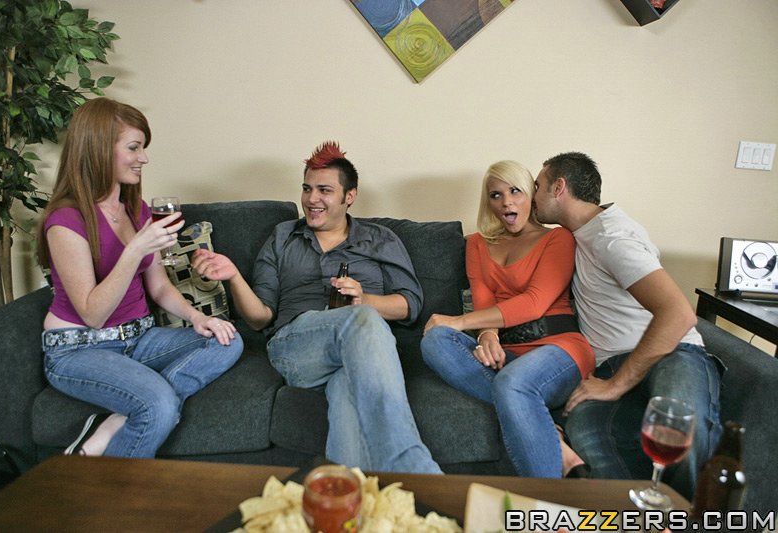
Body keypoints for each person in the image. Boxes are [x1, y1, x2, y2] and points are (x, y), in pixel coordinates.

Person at [191, 141, 441, 474]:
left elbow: (410, 304)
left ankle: (344, 493)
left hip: (363, 351)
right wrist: (233, 276)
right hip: (297, 348)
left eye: (324, 190)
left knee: (346, 386)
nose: (311, 199)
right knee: (361, 320)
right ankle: (416, 469)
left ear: (349, 196)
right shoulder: (283, 236)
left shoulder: (379, 238)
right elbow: (260, 318)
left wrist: (364, 300)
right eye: (307, 188)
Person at [37, 97, 243, 458]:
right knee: (158, 405)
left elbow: (159, 286)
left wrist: (198, 318)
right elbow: (93, 314)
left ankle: (120, 417)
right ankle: (115, 484)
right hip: (80, 349)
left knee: (227, 339)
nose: (143, 158)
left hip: (138, 339)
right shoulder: (66, 221)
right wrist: (134, 249)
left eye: (143, 148)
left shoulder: (137, 210)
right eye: (134, 147)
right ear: (100, 149)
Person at [532, 151, 723, 499]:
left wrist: (615, 386)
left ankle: (689, 518)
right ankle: (636, 517)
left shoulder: (612, 238)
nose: (532, 196)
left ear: (559, 188)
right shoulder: (576, 235)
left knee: (680, 425)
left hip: (672, 352)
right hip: (610, 364)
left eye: (537, 186)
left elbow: (678, 314)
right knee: (586, 431)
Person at [420, 160, 594, 478]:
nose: (506, 202)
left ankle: (545, 501)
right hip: (506, 355)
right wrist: (487, 335)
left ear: (531, 194)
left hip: (559, 350)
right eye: (495, 195)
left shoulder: (558, 239)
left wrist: (460, 321)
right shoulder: (477, 244)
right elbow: (484, 300)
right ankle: (544, 427)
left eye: (515, 191)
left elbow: (535, 303)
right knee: (434, 340)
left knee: (513, 383)